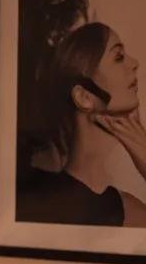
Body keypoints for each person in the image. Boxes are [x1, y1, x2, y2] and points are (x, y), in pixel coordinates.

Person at [17, 22, 146, 226]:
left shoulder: (130, 211)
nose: (135, 63)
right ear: (84, 97)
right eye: (118, 57)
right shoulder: (35, 200)